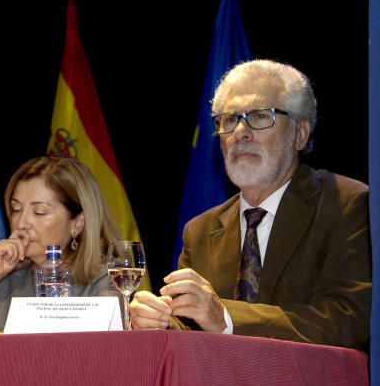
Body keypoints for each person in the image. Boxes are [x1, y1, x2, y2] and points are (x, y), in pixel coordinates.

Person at [129, 59, 371, 349]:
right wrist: (160, 323)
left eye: (259, 116)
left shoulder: (346, 204)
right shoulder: (201, 230)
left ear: (300, 134)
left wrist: (227, 318)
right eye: (229, 119)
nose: (240, 132)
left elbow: (347, 319)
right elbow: (193, 329)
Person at [0, 155, 121, 335]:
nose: (22, 222)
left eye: (39, 212)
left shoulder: (106, 279)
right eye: (16, 209)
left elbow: (93, 356)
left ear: (77, 223)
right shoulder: (9, 281)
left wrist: (1, 345)